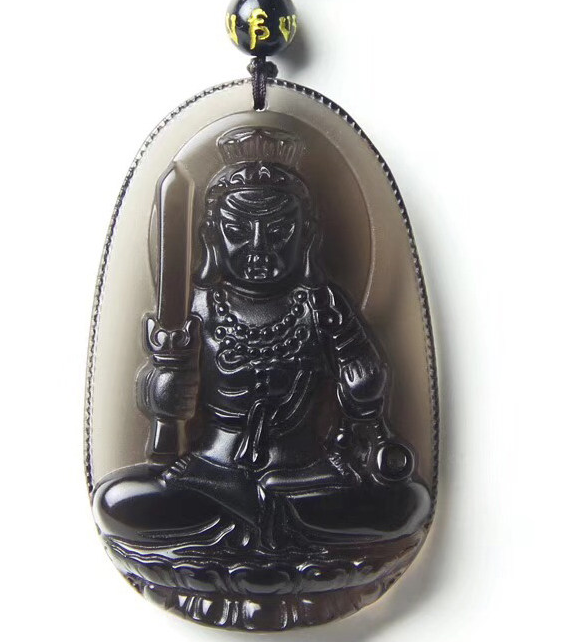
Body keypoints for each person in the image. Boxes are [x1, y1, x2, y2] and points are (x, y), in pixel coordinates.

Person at [93, 128, 430, 552]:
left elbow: (367, 407)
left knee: (408, 503)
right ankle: (270, 529)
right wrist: (165, 387)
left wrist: (363, 392)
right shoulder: (196, 307)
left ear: (307, 235)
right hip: (211, 475)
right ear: (211, 236)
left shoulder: (323, 305)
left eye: (278, 231)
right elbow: (157, 391)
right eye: (237, 230)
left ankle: (259, 524)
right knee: (116, 502)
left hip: (306, 477)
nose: (257, 247)